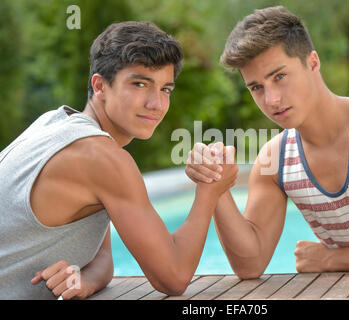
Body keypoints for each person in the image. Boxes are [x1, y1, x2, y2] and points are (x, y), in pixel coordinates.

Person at [185, 6, 349, 278]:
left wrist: (329, 259)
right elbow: (249, 264)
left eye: (280, 77)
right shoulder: (275, 161)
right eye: (257, 87)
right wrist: (214, 181)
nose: (271, 99)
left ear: (313, 63)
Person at [0, 21, 237, 300]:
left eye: (165, 89)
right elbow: (173, 278)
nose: (156, 104)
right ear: (100, 86)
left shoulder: (55, 123)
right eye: (140, 84)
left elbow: (103, 261)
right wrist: (209, 189)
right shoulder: (101, 158)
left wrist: (83, 280)